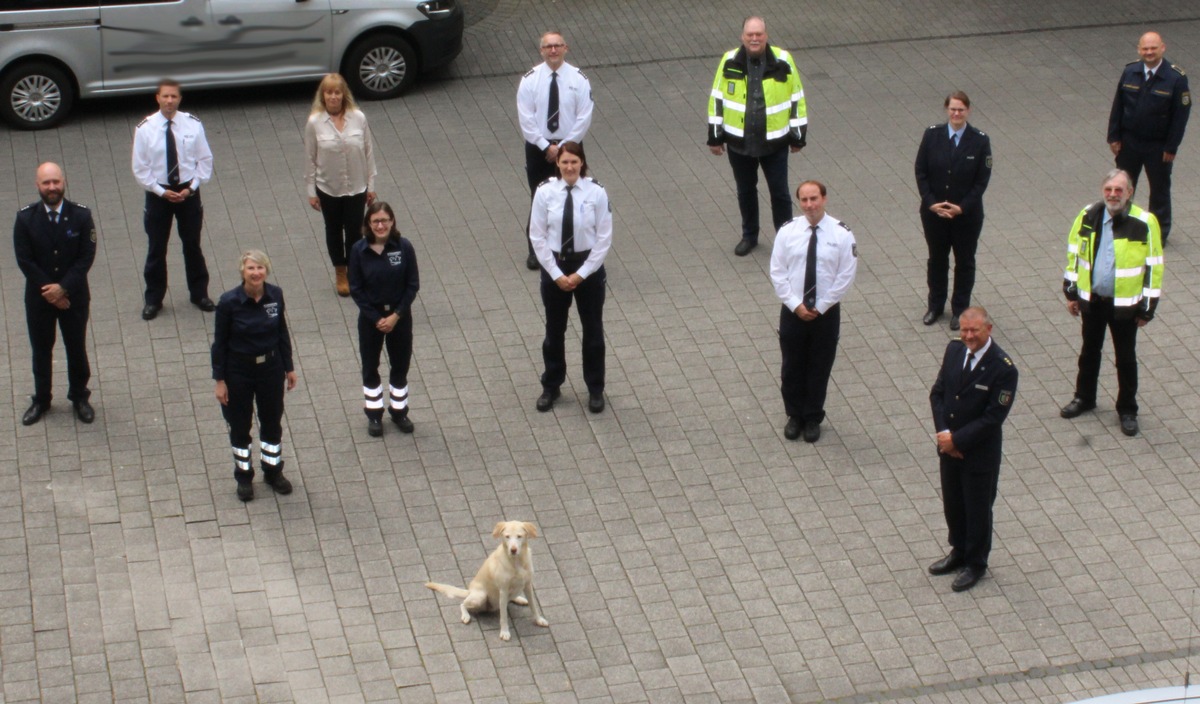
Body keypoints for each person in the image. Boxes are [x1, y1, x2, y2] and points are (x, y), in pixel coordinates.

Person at [1060, 169, 1163, 437]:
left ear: (1130, 192)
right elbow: (1075, 253)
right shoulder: (1088, 215)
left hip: (1125, 305)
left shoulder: (1144, 222)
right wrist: (1071, 292)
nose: (1113, 195)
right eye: (1108, 189)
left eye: (1119, 190)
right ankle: (1084, 397)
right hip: (1093, 300)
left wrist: (1147, 309)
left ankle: (1128, 409)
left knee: (1125, 358)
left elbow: (1154, 267)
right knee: (1089, 351)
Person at [928, 307, 1018, 593]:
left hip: (978, 453)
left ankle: (976, 563)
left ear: (988, 330)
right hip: (949, 446)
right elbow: (939, 393)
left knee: (977, 508)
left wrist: (958, 441)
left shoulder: (1003, 368)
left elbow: (993, 417)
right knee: (953, 504)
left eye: (974, 331)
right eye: (964, 330)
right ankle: (958, 551)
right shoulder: (954, 351)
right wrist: (944, 435)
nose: (967, 336)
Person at [707, 16, 807, 257]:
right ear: (742, 37)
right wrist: (714, 136)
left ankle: (785, 240)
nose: (754, 39)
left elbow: (797, 98)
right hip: (739, 143)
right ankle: (749, 236)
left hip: (775, 142)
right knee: (746, 191)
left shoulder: (783, 60)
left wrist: (798, 137)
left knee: (780, 193)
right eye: (750, 35)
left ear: (766, 35)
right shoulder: (729, 60)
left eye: (759, 34)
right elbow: (716, 99)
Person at [769, 180, 857, 443]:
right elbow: (777, 272)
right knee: (792, 366)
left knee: (820, 366)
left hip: (826, 312)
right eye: (804, 200)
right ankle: (794, 415)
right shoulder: (787, 232)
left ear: (824, 199)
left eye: (814, 199)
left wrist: (819, 307)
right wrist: (796, 305)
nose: (809, 205)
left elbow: (845, 276)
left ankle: (812, 417)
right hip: (793, 310)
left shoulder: (841, 234)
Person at [529, 141, 612, 413]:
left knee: (593, 332)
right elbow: (537, 236)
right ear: (558, 164)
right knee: (554, 331)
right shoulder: (545, 192)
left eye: (574, 162)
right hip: (555, 267)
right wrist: (555, 273)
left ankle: (595, 388)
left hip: (586, 267)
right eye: (564, 162)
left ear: (582, 163)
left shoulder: (596, 193)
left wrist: (581, 274)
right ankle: (551, 385)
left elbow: (603, 239)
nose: (569, 167)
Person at [13, 162, 97, 426]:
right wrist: (49, 290)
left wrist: (63, 288)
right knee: (41, 349)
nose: (52, 187)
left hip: (74, 297)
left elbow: (85, 257)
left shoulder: (81, 216)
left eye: (56, 182)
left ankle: (80, 397)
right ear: (38, 186)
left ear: (64, 182)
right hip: (39, 299)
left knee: (76, 347)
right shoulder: (25, 218)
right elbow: (25, 260)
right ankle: (41, 399)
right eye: (46, 183)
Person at [212, 250, 297, 502]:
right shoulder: (228, 303)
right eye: (251, 268)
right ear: (242, 272)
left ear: (266, 271)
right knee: (240, 425)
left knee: (272, 421)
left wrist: (289, 368)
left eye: (260, 268)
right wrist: (220, 380)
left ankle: (272, 471)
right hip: (239, 371)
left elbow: (282, 332)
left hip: (270, 369)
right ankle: (244, 475)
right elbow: (219, 344)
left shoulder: (276, 295)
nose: (256, 273)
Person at [132, 78, 214, 320]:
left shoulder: (193, 125)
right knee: (156, 248)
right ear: (157, 98)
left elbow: (204, 160)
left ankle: (199, 294)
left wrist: (191, 188)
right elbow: (140, 168)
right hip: (159, 194)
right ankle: (153, 299)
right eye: (165, 96)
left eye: (174, 97)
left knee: (192, 245)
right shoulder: (145, 129)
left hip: (188, 192)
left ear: (180, 99)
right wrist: (161, 191)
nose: (169, 101)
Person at [915, 91, 992, 331]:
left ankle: (960, 310)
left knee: (964, 261)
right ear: (947, 110)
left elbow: (982, 180)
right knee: (937, 260)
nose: (956, 114)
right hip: (935, 214)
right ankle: (935, 306)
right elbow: (921, 171)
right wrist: (930, 202)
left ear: (968, 111)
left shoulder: (979, 140)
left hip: (966, 216)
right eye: (952, 109)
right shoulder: (932, 135)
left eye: (961, 109)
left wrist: (962, 207)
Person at [517, 30, 593, 270]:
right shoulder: (530, 80)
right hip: (539, 146)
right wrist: (545, 146)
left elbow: (584, 117)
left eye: (557, 46)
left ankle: (573, 245)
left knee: (574, 193)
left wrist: (561, 148)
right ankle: (536, 251)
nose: (553, 50)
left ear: (565, 48)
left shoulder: (579, 79)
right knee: (539, 196)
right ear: (541, 51)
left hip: (569, 144)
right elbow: (526, 118)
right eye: (548, 47)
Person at [1107, 31, 1191, 245]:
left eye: (1153, 48)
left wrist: (1171, 147)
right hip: (1129, 143)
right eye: (1145, 48)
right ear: (1139, 50)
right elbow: (1118, 106)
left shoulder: (1175, 78)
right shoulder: (1130, 72)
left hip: (1158, 146)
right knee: (1123, 186)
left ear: (1163, 48)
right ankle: (1121, 226)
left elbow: (1180, 118)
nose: (1149, 52)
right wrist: (1114, 136)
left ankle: (1158, 233)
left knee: (1159, 190)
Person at [348, 202, 420, 437]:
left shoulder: (403, 247)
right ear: (368, 224)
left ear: (392, 222)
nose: (380, 225)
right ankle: (374, 414)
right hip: (371, 319)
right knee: (370, 367)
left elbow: (412, 284)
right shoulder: (359, 251)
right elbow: (356, 289)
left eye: (384, 220)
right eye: (375, 221)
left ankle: (399, 412)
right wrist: (377, 318)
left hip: (399, 317)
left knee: (400, 365)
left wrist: (396, 315)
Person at [305, 73, 378, 296]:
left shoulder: (358, 118)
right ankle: (340, 271)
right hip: (329, 188)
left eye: (337, 92)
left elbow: (368, 151)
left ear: (343, 94)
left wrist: (371, 184)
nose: (333, 97)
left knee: (356, 231)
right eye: (329, 92)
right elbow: (310, 157)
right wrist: (311, 191)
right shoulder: (315, 123)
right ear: (323, 95)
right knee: (334, 230)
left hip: (356, 185)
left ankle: (355, 270)